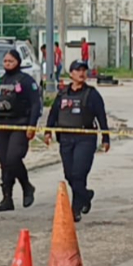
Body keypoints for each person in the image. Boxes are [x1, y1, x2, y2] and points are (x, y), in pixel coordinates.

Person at [46, 61, 110, 222]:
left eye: (84, 70)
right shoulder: (62, 93)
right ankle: (86, 196)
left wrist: (105, 137)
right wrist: (48, 131)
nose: (81, 73)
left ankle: (75, 209)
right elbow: (53, 113)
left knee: (79, 173)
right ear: (71, 73)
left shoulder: (92, 94)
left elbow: (101, 115)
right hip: (66, 138)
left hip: (85, 138)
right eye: (78, 70)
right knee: (69, 175)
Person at [0, 49, 42, 212]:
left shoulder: (26, 80)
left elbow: (36, 103)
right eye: (5, 61)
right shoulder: (0, 80)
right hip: (1, 125)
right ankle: (7, 197)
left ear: (18, 62)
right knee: (3, 161)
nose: (7, 64)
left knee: (13, 158)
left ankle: (27, 186)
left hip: (20, 124)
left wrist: (32, 125)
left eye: (11, 61)